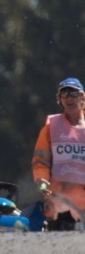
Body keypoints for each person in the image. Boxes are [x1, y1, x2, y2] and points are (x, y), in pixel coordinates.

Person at [32, 77, 85, 231]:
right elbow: (41, 160)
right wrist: (42, 180)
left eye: (73, 93)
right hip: (60, 204)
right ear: (60, 100)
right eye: (65, 94)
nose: (69, 98)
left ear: (82, 97)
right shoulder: (51, 128)